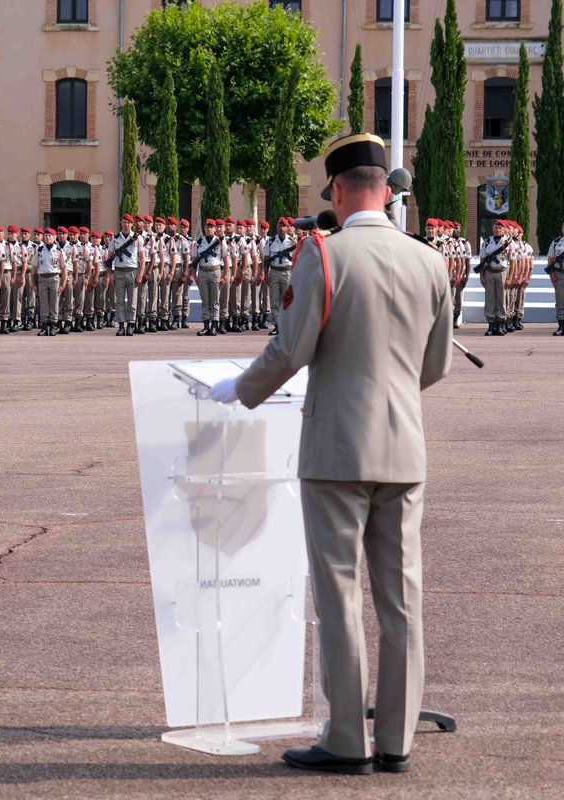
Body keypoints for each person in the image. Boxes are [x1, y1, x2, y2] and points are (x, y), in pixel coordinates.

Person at [212, 133, 453, 775]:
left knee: (340, 596)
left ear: (341, 191)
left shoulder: (324, 254)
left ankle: (347, 738)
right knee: (402, 600)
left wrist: (240, 388)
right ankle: (397, 741)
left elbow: (289, 351)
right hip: (404, 449)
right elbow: (435, 366)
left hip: (336, 451)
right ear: (384, 188)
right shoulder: (428, 262)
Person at [477, 220, 510, 336]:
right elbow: (482, 259)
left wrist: (511, 277)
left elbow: (514, 261)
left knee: (501, 299)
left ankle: (500, 324)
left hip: (502, 272)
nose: (498, 230)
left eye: (500, 228)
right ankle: (491, 325)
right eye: (496, 228)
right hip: (489, 272)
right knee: (490, 299)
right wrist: (481, 275)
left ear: (504, 229)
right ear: (493, 229)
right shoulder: (487, 242)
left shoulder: (508, 242)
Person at [546, 221, 564, 336]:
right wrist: (552, 275)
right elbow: (550, 259)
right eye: (563, 226)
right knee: (560, 301)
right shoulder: (556, 242)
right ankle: (561, 325)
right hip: (559, 273)